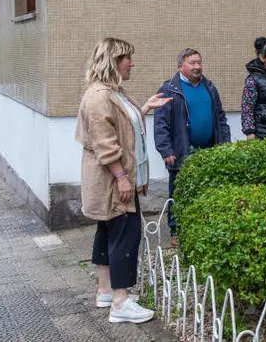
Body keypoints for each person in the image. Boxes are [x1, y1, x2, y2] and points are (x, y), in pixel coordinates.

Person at [76, 37, 170, 324]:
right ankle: (120, 301)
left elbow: (122, 127)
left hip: (112, 180)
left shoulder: (111, 93)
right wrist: (122, 177)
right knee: (125, 235)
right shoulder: (99, 97)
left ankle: (105, 291)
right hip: (112, 182)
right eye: (127, 57)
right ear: (113, 61)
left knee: (107, 232)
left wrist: (143, 109)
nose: (132, 62)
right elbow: (106, 143)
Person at [154, 48, 231, 246]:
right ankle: (176, 231)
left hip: (209, 150)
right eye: (192, 63)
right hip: (182, 152)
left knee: (207, 191)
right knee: (179, 193)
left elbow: (220, 117)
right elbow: (161, 123)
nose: (198, 67)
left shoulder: (209, 87)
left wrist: (225, 143)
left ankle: (203, 227)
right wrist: (166, 150)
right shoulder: (169, 89)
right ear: (181, 66)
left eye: (199, 62)